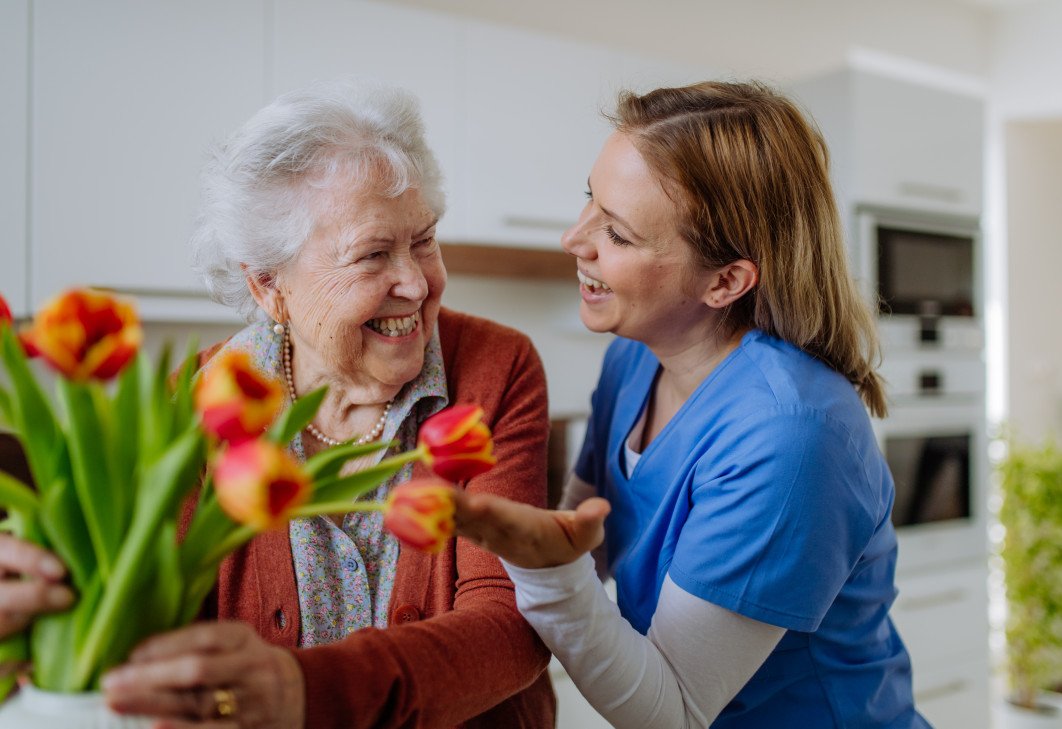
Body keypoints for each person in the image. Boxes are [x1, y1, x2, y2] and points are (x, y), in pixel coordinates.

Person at [0, 81, 555, 728]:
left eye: (424, 240)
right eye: (373, 254)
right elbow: (145, 612)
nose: (415, 281)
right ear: (268, 286)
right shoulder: (203, 401)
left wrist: (302, 687)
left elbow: (512, 623)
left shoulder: (496, 367)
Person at [454, 81, 931, 728]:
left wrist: (547, 569)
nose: (574, 237)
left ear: (725, 281)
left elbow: (673, 711)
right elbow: (581, 539)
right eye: (588, 198)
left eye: (617, 234)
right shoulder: (634, 357)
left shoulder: (788, 436)